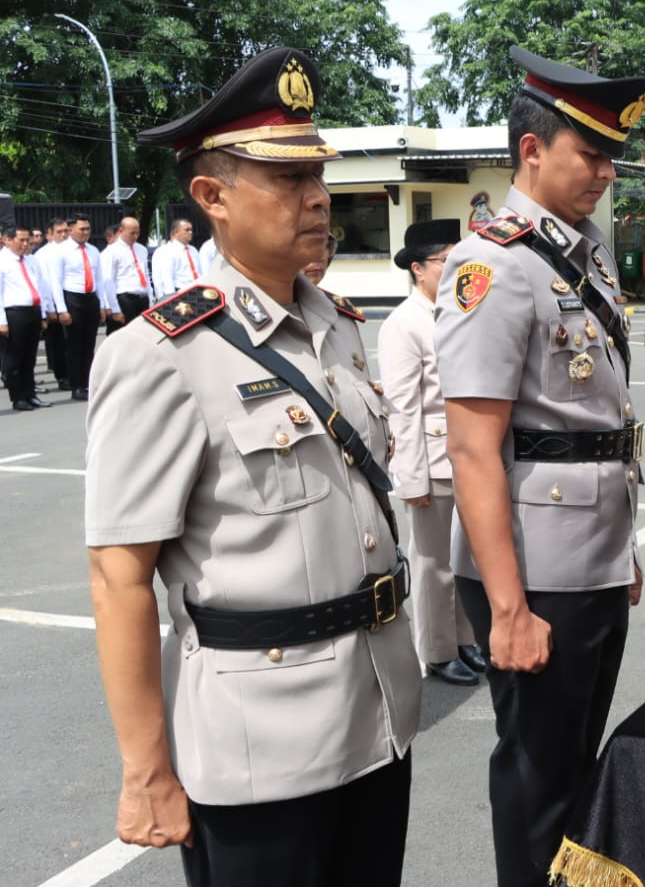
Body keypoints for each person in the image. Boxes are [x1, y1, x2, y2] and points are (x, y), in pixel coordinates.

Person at [84, 46, 421, 887]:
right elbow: (118, 575)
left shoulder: (337, 327)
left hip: (377, 711)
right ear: (213, 197)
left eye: (317, 174)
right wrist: (147, 771)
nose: (316, 198)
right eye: (286, 179)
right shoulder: (160, 355)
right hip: (258, 743)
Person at [434, 46, 645, 886]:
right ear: (532, 150)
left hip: (587, 553)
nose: (605, 172)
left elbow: (597, 423)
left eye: (611, 158)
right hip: (531, 568)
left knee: (574, 766)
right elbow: (473, 445)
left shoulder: (583, 250)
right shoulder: (493, 265)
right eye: (589, 154)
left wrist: (619, 550)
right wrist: (509, 608)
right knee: (536, 778)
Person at [378, 218, 484, 686]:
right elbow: (402, 407)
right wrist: (412, 478)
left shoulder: (460, 311)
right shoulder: (404, 324)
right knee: (434, 564)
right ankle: (438, 651)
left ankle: (465, 640)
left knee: (468, 559)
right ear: (419, 268)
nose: (457, 267)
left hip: (470, 457)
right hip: (434, 460)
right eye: (447, 260)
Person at [46, 213, 115, 400]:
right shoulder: (61, 251)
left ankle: (88, 383)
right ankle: (77, 385)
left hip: (90, 298)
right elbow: (56, 282)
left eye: (88, 229)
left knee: (89, 344)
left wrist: (102, 304)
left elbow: (99, 279)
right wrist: (61, 309)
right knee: (75, 345)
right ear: (71, 230)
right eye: (82, 229)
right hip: (72, 298)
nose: (86, 232)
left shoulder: (93, 250)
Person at [2, 224, 55, 410]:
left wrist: (42, 314)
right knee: (14, 359)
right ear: (7, 240)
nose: (26, 244)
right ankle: (18, 397)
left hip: (33, 311)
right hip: (14, 312)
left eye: (28, 240)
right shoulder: (3, 261)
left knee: (29, 358)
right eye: (21, 240)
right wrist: (2, 321)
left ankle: (30, 393)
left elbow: (40, 286)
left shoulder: (32, 260)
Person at [101, 214, 153, 335]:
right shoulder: (112, 251)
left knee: (143, 335)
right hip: (125, 298)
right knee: (124, 335)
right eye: (132, 233)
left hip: (142, 296)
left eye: (137, 233)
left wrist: (150, 300)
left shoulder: (141, 249)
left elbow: (146, 275)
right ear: (121, 231)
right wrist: (114, 308)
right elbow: (108, 280)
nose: (135, 236)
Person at [39, 218, 70, 391]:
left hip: (71, 300)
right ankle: (63, 376)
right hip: (53, 304)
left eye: (66, 231)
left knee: (73, 343)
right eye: (59, 232)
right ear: (49, 234)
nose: (64, 235)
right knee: (58, 343)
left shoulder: (72, 251)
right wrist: (50, 308)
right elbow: (44, 284)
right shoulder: (44, 255)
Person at [151, 218, 204, 300]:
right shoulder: (168, 251)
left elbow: (199, 272)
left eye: (191, 230)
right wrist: (170, 299)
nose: (190, 232)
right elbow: (167, 277)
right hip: (180, 293)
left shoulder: (193, 250)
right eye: (187, 230)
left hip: (198, 291)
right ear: (176, 232)